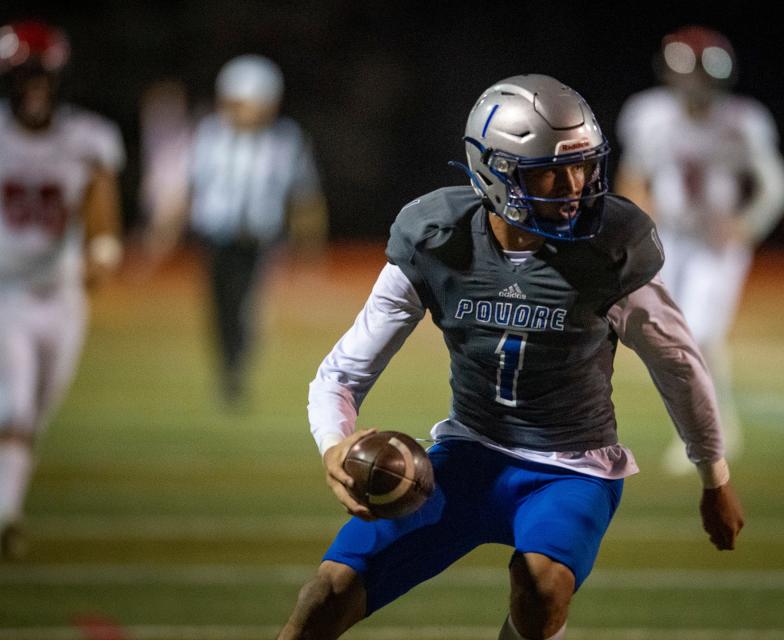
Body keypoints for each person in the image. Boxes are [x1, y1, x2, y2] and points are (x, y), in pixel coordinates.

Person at [277, 74, 744, 640]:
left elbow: (678, 363)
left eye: (583, 166)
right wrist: (335, 444)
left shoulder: (610, 250)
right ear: (491, 170)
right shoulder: (437, 238)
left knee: (541, 586)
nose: (574, 186)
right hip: (469, 454)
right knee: (325, 595)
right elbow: (342, 374)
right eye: (549, 169)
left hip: (571, 468)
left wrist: (713, 476)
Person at [615, 26, 784, 475]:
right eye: (685, 72)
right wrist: (640, 228)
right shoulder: (649, 115)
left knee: (699, 333)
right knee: (678, 336)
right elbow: (633, 178)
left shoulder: (742, 119)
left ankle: (701, 433)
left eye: (700, 73)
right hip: (670, 240)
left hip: (714, 243)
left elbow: (775, 185)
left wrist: (747, 224)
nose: (692, 83)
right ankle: (720, 424)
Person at [0, 20, 125, 559]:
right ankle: (5, 516)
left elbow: (101, 206)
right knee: (16, 409)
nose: (34, 88)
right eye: (23, 76)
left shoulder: (87, 138)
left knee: (36, 415)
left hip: (61, 294)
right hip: (4, 292)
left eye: (41, 76)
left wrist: (102, 251)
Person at [147, 54, 328, 407]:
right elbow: (187, 186)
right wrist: (163, 231)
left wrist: (310, 244)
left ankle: (236, 370)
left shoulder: (285, 139)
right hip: (216, 237)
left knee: (248, 307)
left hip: (259, 240)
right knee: (220, 308)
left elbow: (304, 195)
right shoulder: (210, 135)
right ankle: (227, 367)